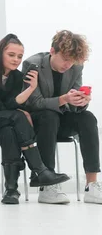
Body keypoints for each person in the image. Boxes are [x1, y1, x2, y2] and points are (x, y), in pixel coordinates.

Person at [0, 33, 69, 204]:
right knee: (16, 116)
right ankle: (39, 170)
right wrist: (20, 111)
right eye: (11, 55)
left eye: (20, 56)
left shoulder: (15, 77)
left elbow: (10, 105)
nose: (16, 60)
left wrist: (30, 88)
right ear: (0, 53)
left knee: (9, 132)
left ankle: (11, 190)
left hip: (1, 124)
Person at [23, 30, 101, 204]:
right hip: (38, 121)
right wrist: (64, 99)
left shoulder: (76, 67)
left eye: (72, 60)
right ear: (52, 51)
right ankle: (47, 185)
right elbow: (34, 102)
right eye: (65, 59)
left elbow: (73, 106)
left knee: (88, 117)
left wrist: (81, 101)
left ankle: (92, 185)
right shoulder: (32, 64)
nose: (68, 64)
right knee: (49, 116)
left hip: (61, 120)